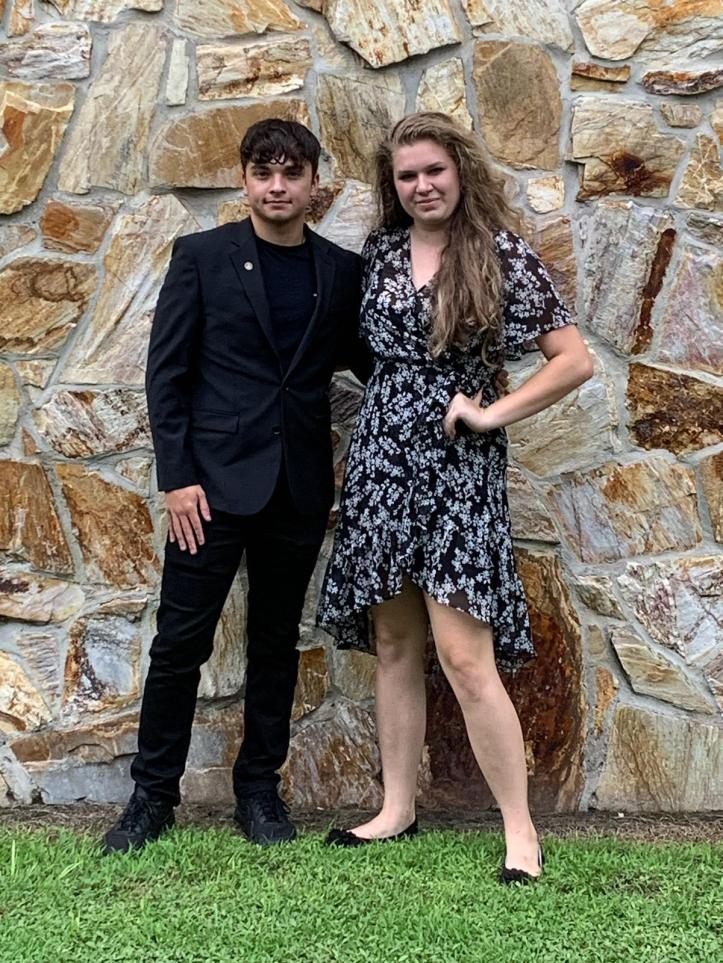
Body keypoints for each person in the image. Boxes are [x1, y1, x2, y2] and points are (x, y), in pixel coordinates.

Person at [317, 112, 593, 883]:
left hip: (456, 467)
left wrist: (490, 411)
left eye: (433, 170)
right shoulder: (377, 251)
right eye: (407, 176)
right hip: (380, 462)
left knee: (465, 655)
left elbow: (571, 361)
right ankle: (396, 808)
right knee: (396, 643)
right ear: (392, 186)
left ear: (459, 171)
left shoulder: (500, 253)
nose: (422, 185)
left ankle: (519, 832)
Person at [102, 119, 371, 854]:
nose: (277, 186)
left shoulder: (341, 271)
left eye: (291, 172)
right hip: (209, 491)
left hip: (297, 488)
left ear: (315, 182)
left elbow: (370, 362)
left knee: (276, 643)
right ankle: (151, 796)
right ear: (243, 180)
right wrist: (177, 476)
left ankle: (259, 791)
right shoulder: (201, 257)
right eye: (263, 171)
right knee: (179, 644)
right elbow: (167, 375)